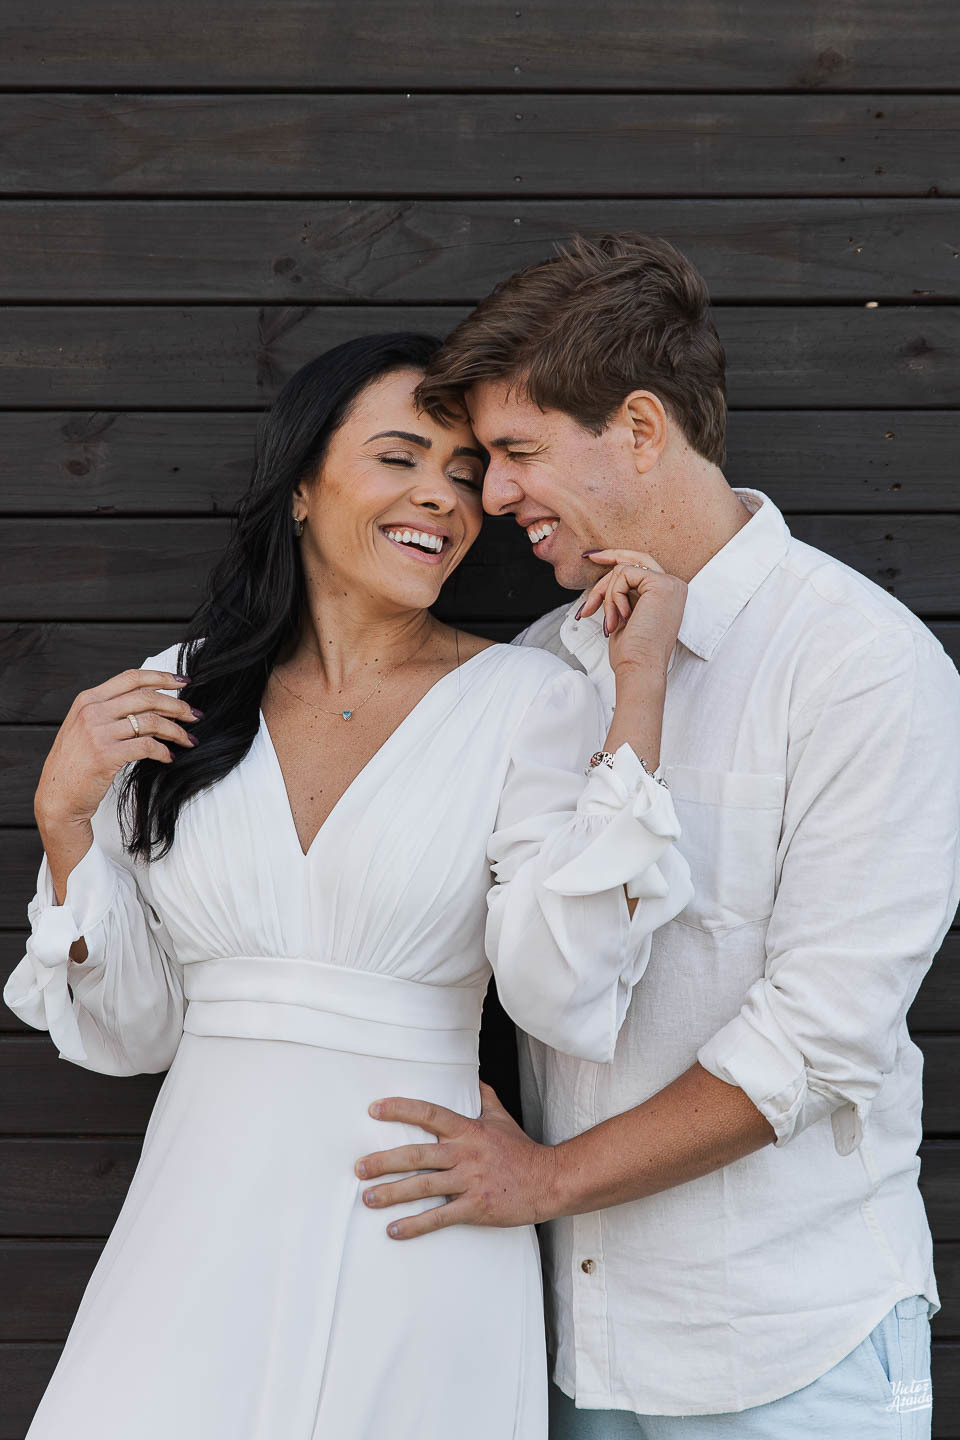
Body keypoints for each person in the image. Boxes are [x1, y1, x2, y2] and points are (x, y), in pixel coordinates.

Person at [3, 331, 695, 1440]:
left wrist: (638, 692)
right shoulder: (179, 696)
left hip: (415, 1226)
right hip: (198, 1229)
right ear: (301, 490)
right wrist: (65, 817)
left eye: (466, 475)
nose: (444, 497)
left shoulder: (530, 698)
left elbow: (563, 993)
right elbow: (131, 1032)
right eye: (400, 458)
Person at [355, 236, 960, 1439]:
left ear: (639, 428)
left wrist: (542, 1182)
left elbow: (826, 1038)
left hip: (793, 1349)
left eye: (519, 454)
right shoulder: (543, 672)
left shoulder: (861, 664)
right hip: (583, 1351)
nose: (494, 497)